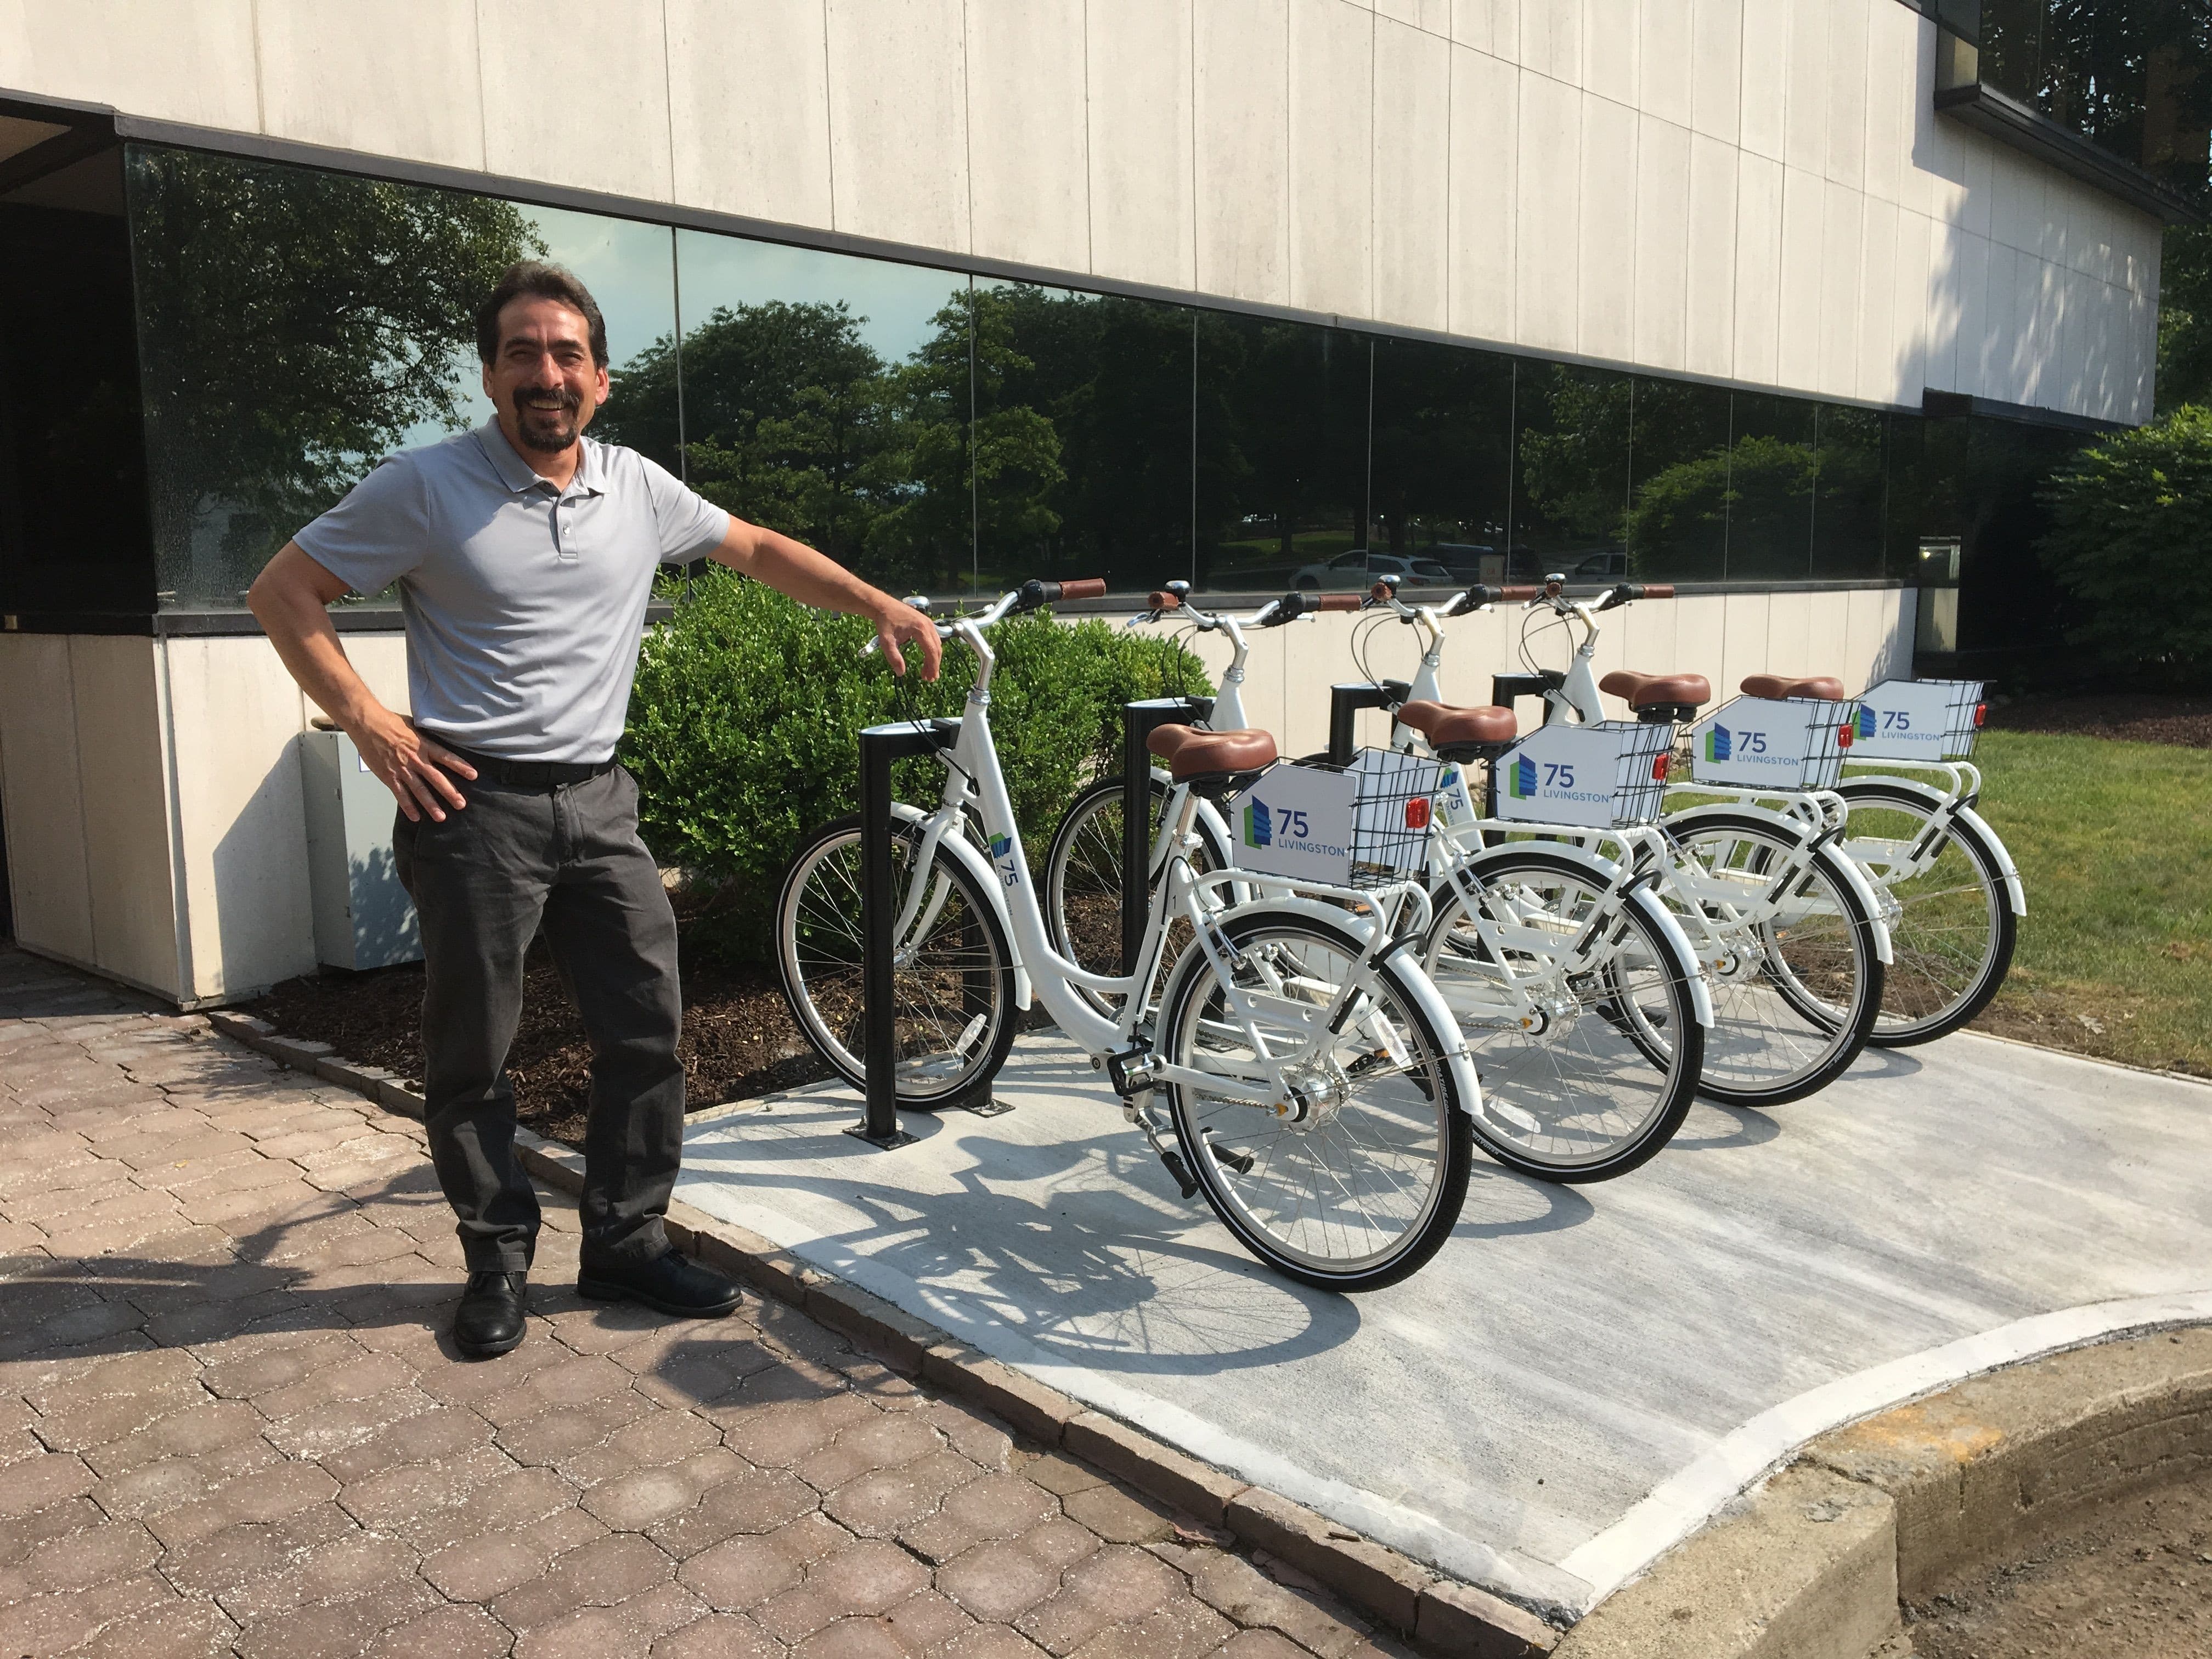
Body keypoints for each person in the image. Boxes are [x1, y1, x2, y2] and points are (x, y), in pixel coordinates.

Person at [249, 261, 939, 1359]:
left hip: (601, 800)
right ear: (489, 374)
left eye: (566, 353)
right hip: (473, 806)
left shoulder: (638, 487)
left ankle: (625, 1239)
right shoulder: (424, 487)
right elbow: (283, 592)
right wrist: (375, 726)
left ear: (601, 380)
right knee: (472, 1050)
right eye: (522, 351)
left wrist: (876, 600)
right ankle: (496, 1261)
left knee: (646, 1028)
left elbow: (754, 548)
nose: (545, 372)